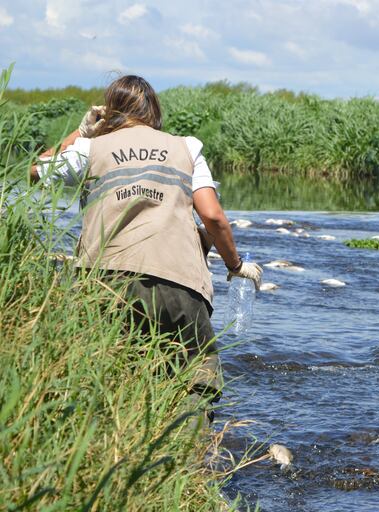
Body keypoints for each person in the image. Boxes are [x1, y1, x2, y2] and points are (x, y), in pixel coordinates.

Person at [30, 75, 261, 426]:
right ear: (153, 109)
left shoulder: (90, 149)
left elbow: (34, 171)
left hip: (105, 283)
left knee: (108, 377)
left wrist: (81, 133)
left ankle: (116, 454)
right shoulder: (188, 147)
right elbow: (213, 216)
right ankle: (187, 465)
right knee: (194, 378)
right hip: (179, 282)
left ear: (110, 112)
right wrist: (236, 264)